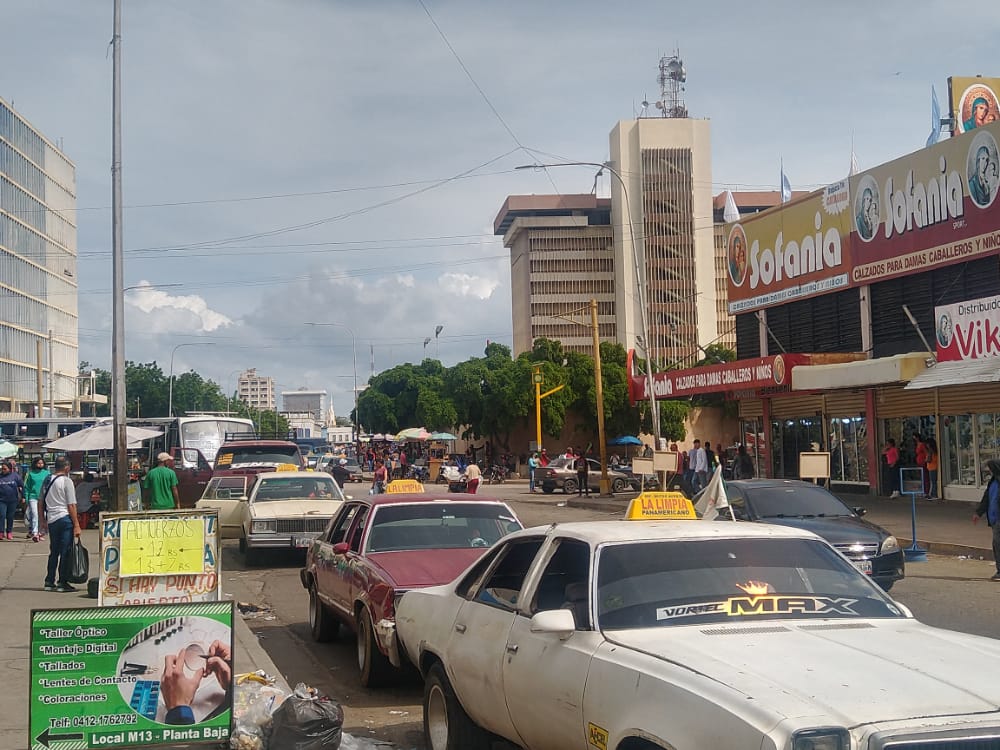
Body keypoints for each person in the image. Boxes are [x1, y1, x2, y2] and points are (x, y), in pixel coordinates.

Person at [39, 456, 81, 592]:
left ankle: (49, 581)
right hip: (64, 519)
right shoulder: (67, 481)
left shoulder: (47, 480)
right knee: (65, 552)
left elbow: (40, 502)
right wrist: (76, 524)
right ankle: (62, 582)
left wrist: (42, 520)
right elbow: (71, 505)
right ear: (67, 467)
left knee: (54, 552)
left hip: (52, 519)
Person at [974, 459, 1000, 581]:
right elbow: (987, 498)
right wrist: (978, 513)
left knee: (998, 543)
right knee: (996, 545)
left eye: (990, 468)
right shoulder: (993, 481)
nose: (989, 470)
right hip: (995, 519)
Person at [23, 457, 49, 542]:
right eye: (38, 463)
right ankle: (34, 533)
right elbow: (27, 487)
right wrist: (26, 498)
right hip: (33, 497)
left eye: (42, 463)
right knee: (34, 515)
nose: (40, 465)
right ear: (35, 464)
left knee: (43, 515)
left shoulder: (47, 473)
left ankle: (40, 532)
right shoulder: (30, 474)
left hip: (44, 498)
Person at [0, 461, 23, 541]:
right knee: (2, 515)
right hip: (2, 500)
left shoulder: (15, 476)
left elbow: (22, 486)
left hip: (13, 500)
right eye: (2, 469)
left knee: (10, 517)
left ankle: (9, 532)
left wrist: (23, 496)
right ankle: (1, 532)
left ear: (9, 469)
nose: (3, 470)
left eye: (5, 469)